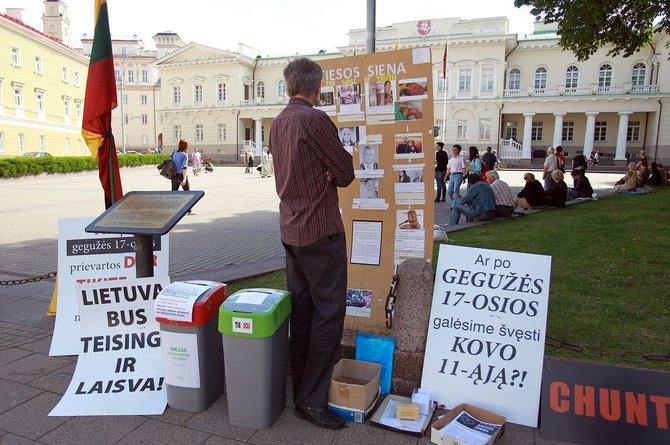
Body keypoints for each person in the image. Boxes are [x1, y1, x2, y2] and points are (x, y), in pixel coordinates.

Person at [268, 57, 354, 430]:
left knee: (302, 312)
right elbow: (347, 172)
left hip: (291, 228)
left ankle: (300, 391)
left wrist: (327, 169)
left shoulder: (279, 122)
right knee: (329, 314)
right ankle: (313, 400)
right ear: (316, 85)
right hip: (319, 230)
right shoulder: (314, 120)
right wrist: (329, 170)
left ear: (290, 85)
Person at [171, 139, 193, 215]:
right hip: (181, 175)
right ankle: (189, 210)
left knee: (174, 193)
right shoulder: (185, 155)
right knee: (187, 193)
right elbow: (184, 167)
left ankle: (173, 210)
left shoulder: (174, 152)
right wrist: (184, 179)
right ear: (185, 146)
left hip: (174, 175)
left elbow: (172, 163)